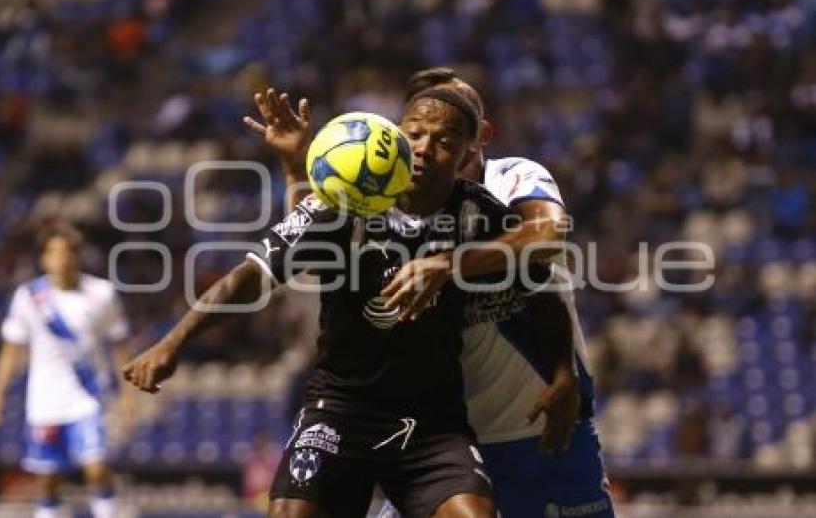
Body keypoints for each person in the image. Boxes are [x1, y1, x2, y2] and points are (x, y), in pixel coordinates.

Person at [123, 88, 548, 518]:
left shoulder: (481, 216)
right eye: (415, 133)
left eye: (444, 138)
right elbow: (251, 276)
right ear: (396, 136)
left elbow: (541, 282)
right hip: (342, 412)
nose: (424, 147)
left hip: (433, 425)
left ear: (468, 150)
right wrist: (172, 342)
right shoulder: (340, 204)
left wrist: (564, 373)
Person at [251, 69, 614, 518]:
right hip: (448, 437)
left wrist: (450, 264)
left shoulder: (513, 177)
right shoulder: (387, 194)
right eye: (419, 127)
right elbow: (320, 249)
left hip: (541, 421)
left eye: (453, 121)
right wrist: (295, 167)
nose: (430, 139)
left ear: (478, 133)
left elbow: (549, 234)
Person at [0, 221, 133, 518]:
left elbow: (120, 345)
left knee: (97, 467)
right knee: (48, 480)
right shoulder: (29, 297)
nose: (62, 259)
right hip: (46, 400)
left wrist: (128, 396)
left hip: (88, 395)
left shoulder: (102, 294)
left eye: (68, 252)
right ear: (44, 258)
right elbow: (11, 349)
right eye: (54, 253)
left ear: (77, 256)